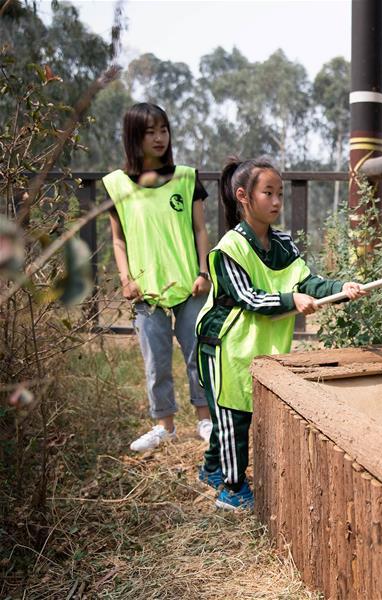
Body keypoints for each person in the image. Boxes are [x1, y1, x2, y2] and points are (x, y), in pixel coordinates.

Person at [196, 156, 367, 510]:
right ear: (243, 196)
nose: (276, 202)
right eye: (268, 193)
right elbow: (248, 297)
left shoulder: (284, 244)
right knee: (232, 415)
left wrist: (339, 288)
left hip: (254, 342)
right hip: (223, 344)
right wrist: (291, 300)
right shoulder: (229, 248)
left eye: (280, 194)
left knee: (236, 411)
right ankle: (232, 489)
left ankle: (212, 469)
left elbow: (307, 281)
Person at [103, 102, 213, 452]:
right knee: (156, 362)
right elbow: (118, 240)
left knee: (198, 354)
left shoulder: (186, 178)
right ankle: (165, 426)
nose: (159, 138)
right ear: (133, 137)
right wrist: (126, 279)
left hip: (190, 286)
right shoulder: (117, 185)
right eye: (150, 132)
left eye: (163, 130)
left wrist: (203, 271)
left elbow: (200, 230)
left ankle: (205, 420)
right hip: (145, 292)